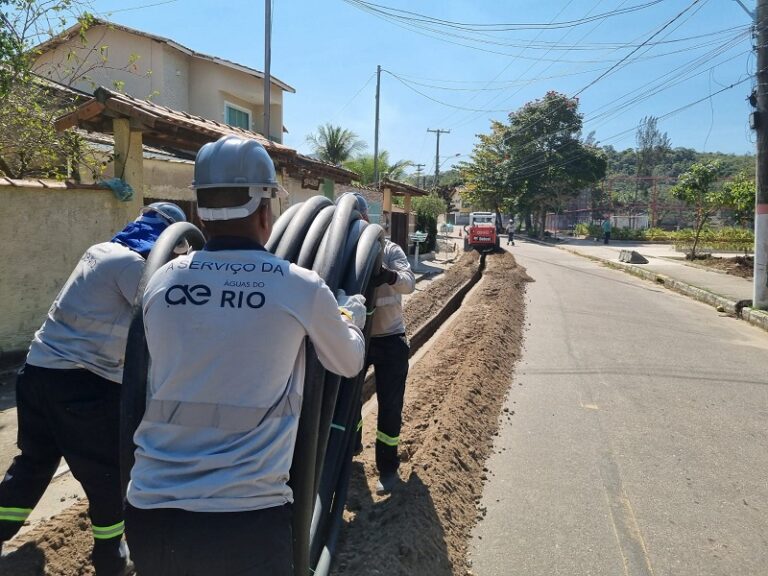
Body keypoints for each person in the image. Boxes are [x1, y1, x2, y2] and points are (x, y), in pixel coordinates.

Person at [124, 135, 367, 576]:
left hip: (151, 510)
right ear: (264, 209)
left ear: (199, 209)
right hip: (244, 518)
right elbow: (347, 363)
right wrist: (350, 317)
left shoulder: (162, 283)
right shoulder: (299, 287)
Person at [0, 201, 186, 576]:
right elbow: (166, 317)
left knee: (33, 464)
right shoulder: (134, 267)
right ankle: (111, 559)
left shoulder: (100, 251)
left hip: (38, 374)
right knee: (108, 476)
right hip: (83, 386)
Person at [347, 193, 416, 495]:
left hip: (389, 339)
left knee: (390, 405)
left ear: (366, 219)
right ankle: (349, 451)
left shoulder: (390, 250)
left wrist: (385, 274)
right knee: (347, 402)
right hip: (357, 337)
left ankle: (387, 468)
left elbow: (409, 283)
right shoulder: (343, 252)